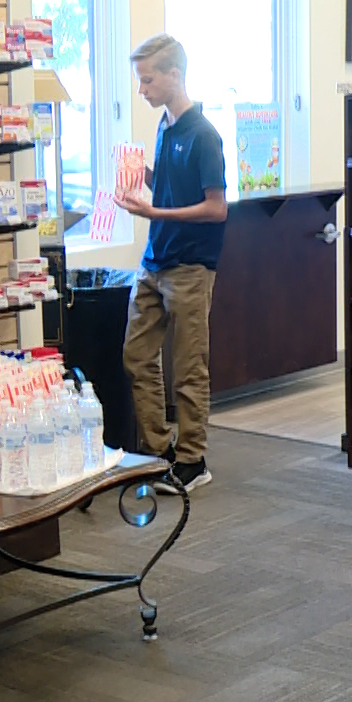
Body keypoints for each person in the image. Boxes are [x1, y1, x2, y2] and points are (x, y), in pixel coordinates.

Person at [115, 33, 229, 495]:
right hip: (154, 261)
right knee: (136, 356)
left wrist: (155, 213)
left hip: (190, 266)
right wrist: (137, 175)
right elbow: (169, 187)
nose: (141, 89)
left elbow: (216, 208)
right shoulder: (165, 127)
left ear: (174, 75)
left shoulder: (204, 135)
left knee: (188, 366)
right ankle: (160, 449)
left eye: (147, 80)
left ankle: (193, 459)